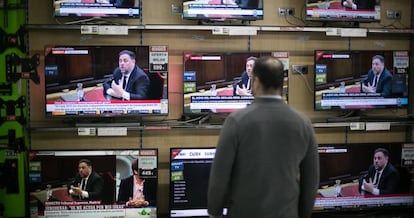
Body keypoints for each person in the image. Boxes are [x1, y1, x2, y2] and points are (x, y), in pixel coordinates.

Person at [208, 56, 320, 218]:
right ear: (282, 83)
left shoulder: (236, 121)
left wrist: (214, 212)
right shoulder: (303, 123)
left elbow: (220, 175)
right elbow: (311, 180)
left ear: (257, 82)